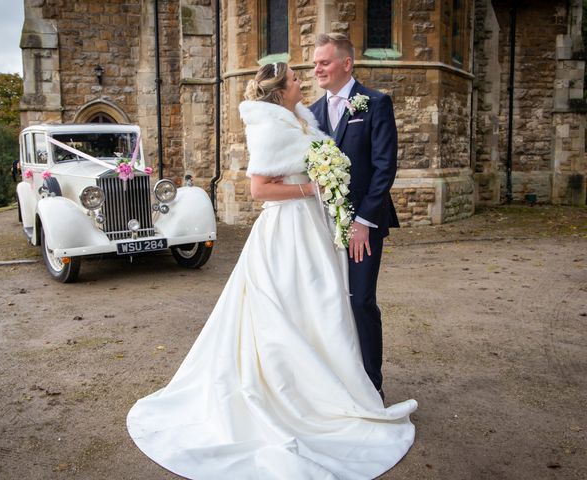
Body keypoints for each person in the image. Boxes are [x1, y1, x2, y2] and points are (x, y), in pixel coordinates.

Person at [127, 63, 416, 480]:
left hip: (312, 228)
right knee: (290, 308)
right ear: (281, 90)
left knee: (322, 305)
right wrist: (313, 187)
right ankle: (292, 392)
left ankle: (327, 384)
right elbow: (259, 188)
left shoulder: (301, 118)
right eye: (296, 79)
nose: (304, 81)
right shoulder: (269, 125)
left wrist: (324, 184)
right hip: (287, 230)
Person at [310, 33, 400, 400]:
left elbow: (384, 167)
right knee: (329, 303)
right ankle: (337, 381)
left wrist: (363, 221)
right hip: (321, 226)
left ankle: (371, 385)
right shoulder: (312, 113)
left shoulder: (375, 104)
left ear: (346, 64)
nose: (317, 69)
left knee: (360, 299)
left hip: (364, 224)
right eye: (315, 63)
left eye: (324, 62)